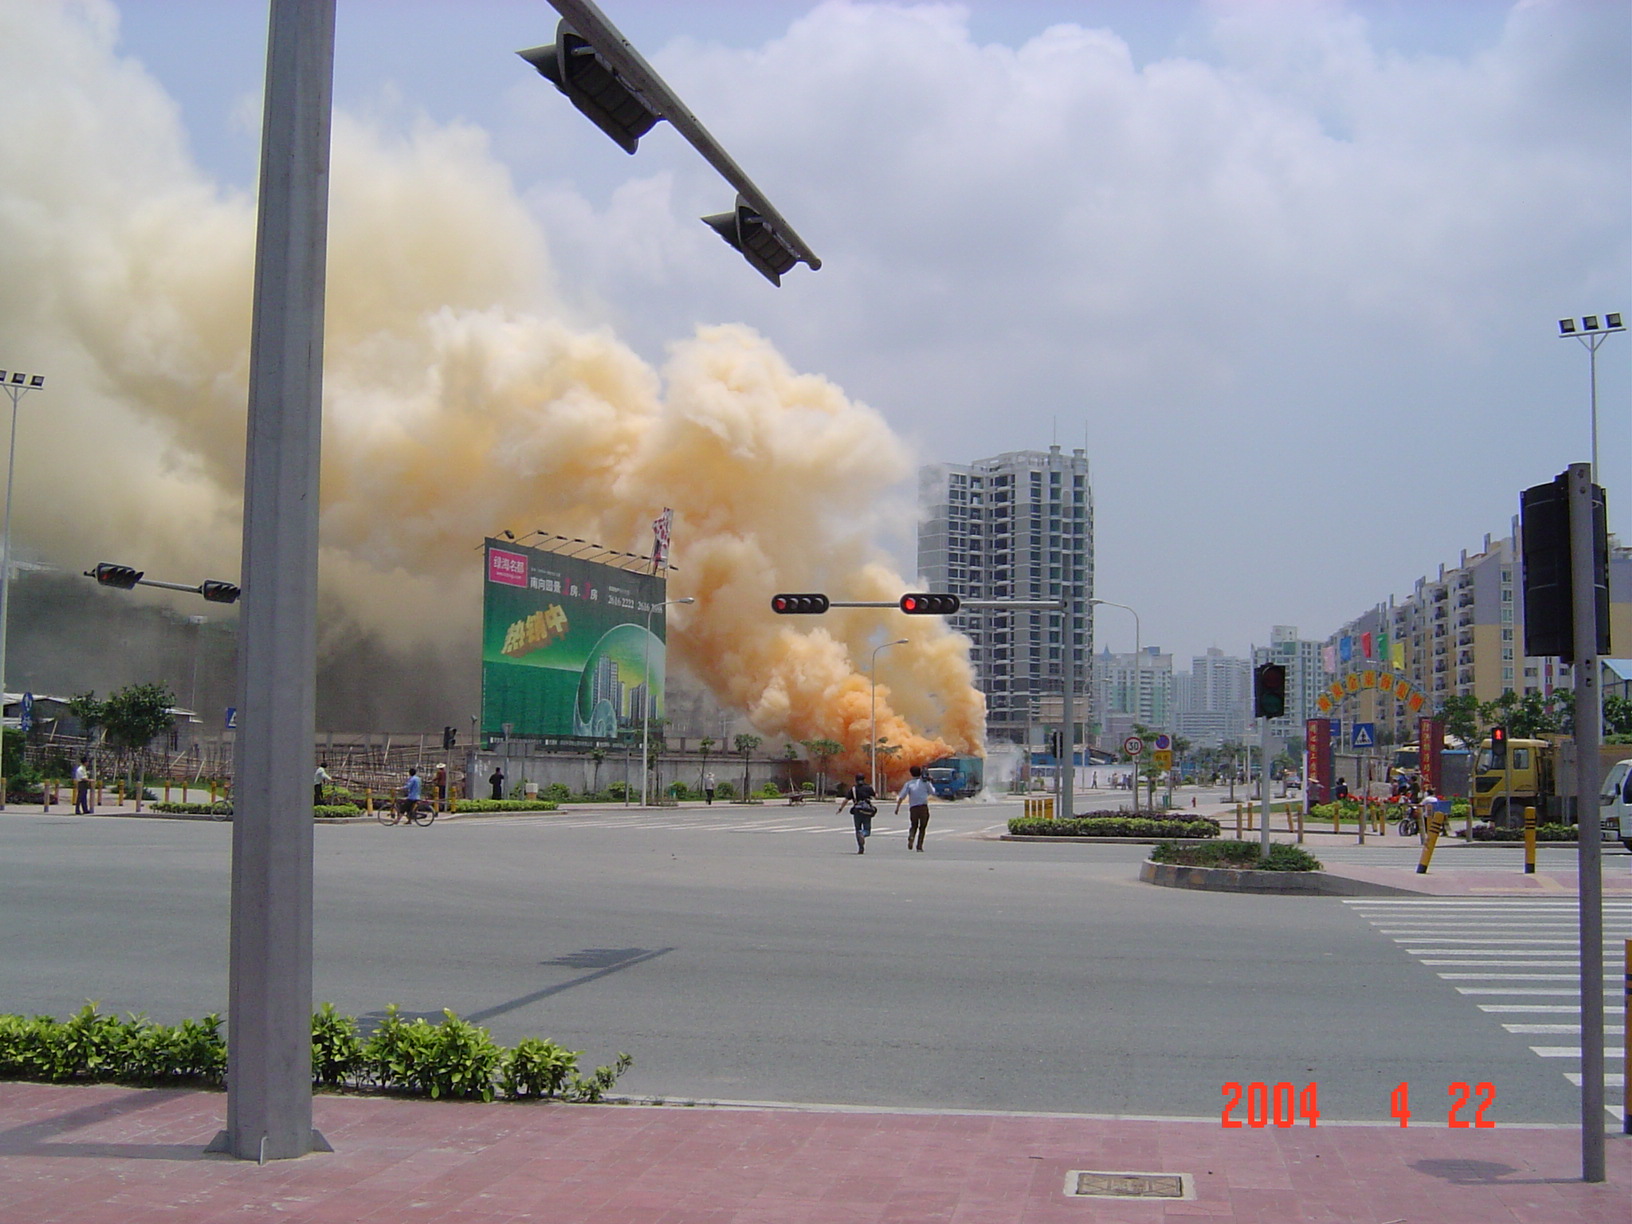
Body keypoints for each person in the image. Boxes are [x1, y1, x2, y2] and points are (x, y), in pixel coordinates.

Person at [895, 764, 934, 852]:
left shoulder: (908, 784)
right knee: (922, 827)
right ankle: (919, 846)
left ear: (911, 773)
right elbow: (933, 792)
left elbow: (902, 796)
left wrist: (897, 808)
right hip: (923, 807)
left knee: (914, 825)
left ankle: (912, 835)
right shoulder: (925, 783)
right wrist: (930, 782)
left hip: (913, 808)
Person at [837, 773, 877, 854]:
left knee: (857, 829)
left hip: (857, 810)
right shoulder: (868, 787)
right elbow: (875, 796)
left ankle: (860, 847)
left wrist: (840, 808)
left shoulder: (853, 789)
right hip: (866, 810)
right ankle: (863, 834)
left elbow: (846, 800)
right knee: (867, 830)